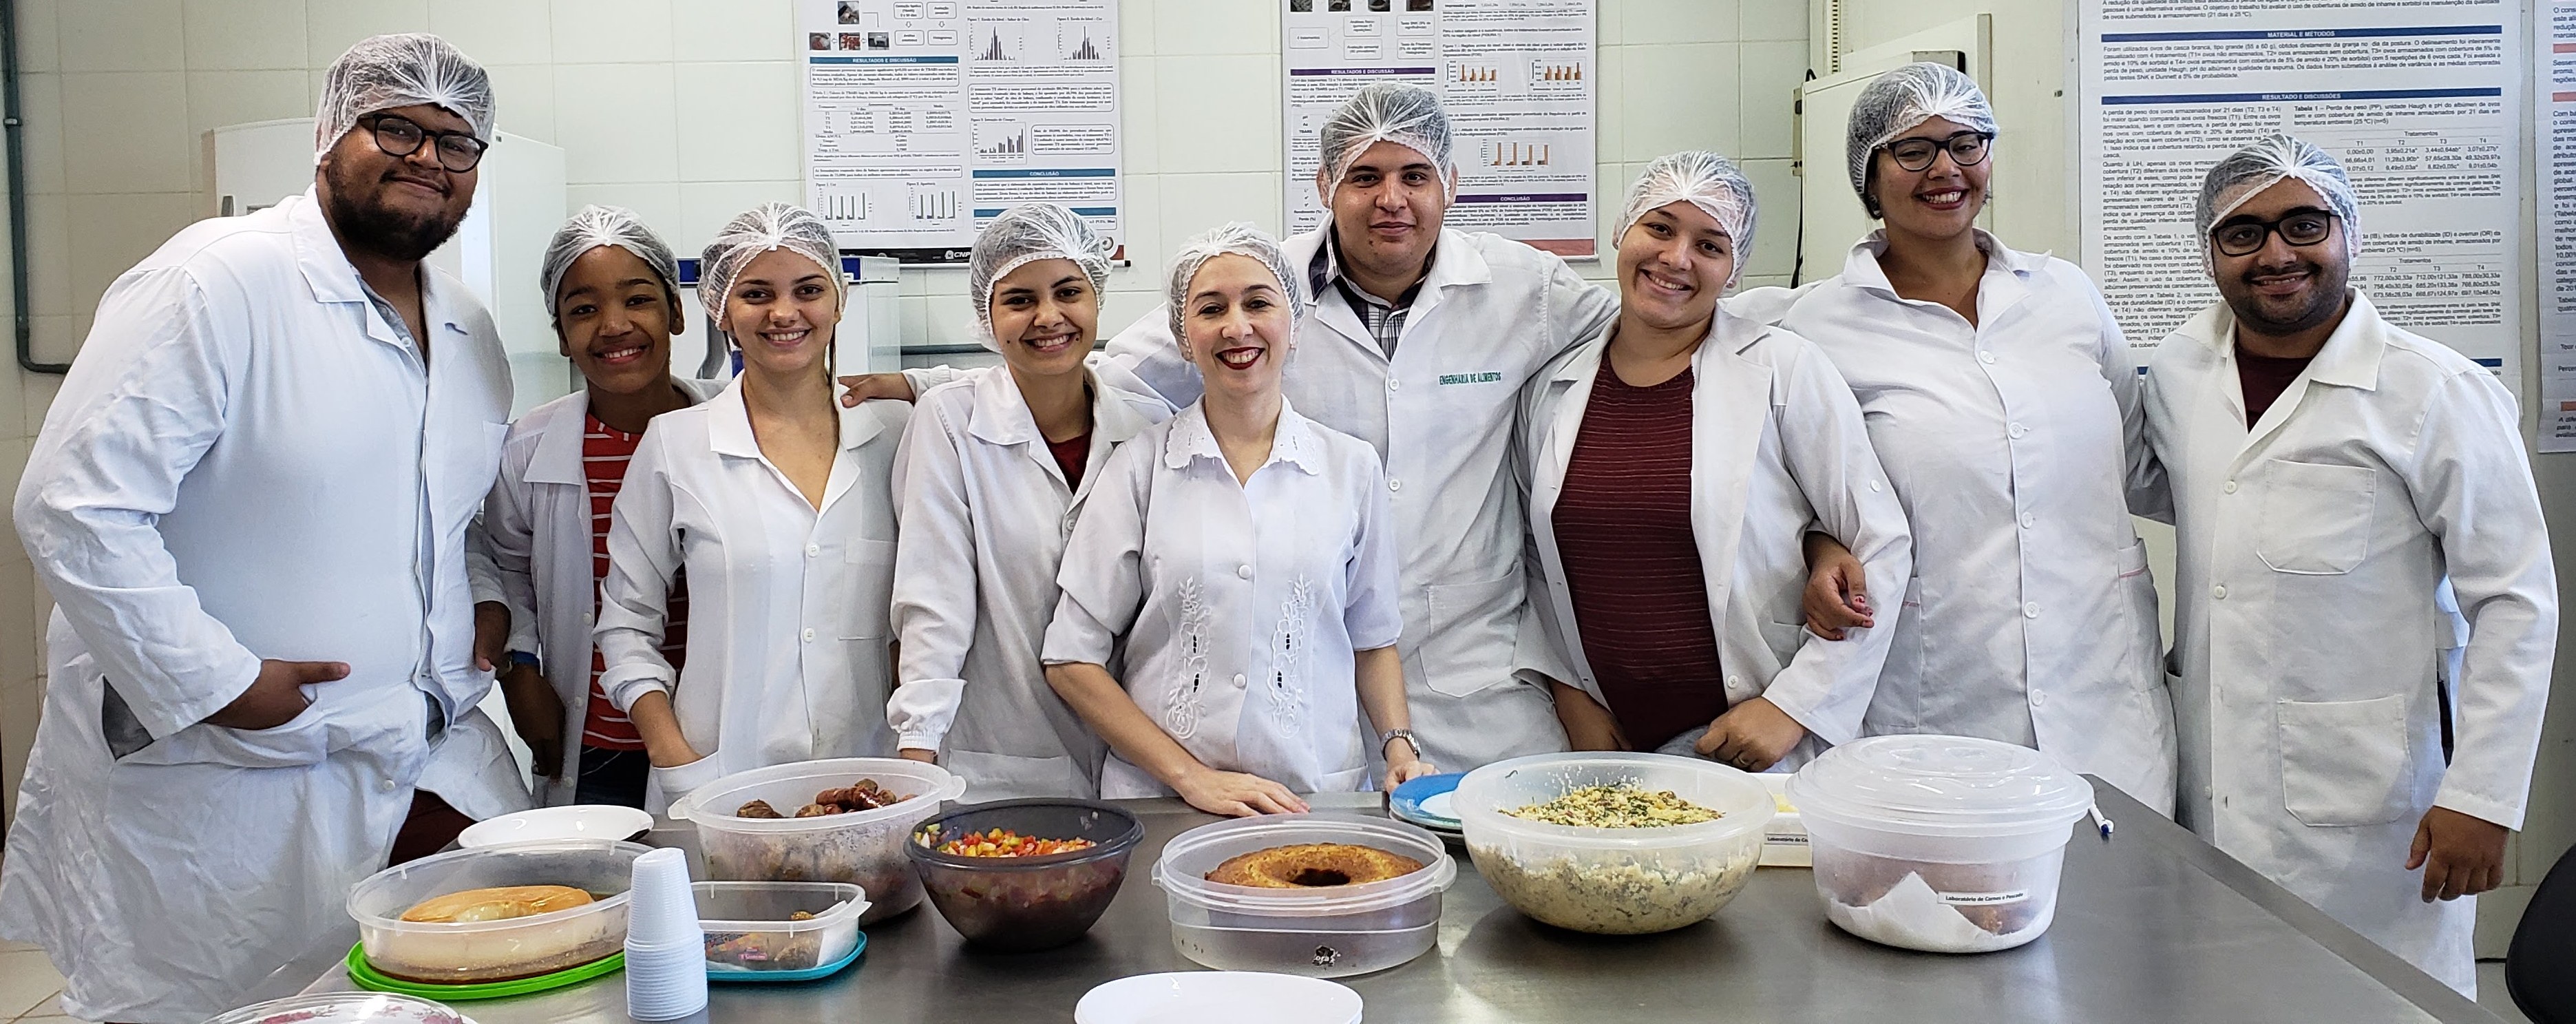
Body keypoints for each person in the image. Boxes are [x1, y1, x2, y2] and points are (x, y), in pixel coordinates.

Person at [849, 83, 1617, 773]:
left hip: (1463, 672)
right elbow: (1096, 361)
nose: (1391, 198)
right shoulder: (1252, 284)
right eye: (1364, 176)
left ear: (1450, 183)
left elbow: (1651, 331)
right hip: (1244, 734)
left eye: (1414, 174)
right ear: (1325, 186)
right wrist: (937, 384)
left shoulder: (1525, 287)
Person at [0, 34, 527, 1023]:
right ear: (329, 136)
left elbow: (439, 514)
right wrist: (222, 683)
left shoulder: (466, 327)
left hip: (405, 757)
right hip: (225, 779)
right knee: (204, 1001)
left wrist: (486, 601)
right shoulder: (217, 281)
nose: (427, 159)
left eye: (456, 144)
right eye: (397, 128)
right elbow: (74, 504)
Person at [2140, 135, 2555, 994]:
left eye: (2303, 224)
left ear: (2349, 234)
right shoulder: (2182, 370)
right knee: (2221, 995)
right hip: (2210, 779)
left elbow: (2515, 600)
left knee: (2377, 1000)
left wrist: (2482, 794)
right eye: (2241, 233)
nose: (2276, 254)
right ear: (2211, 252)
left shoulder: (2431, 391)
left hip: (2372, 812)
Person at [1771, 63, 2175, 813]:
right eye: (1913, 150)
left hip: (2105, 696)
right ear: (1869, 170)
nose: (1946, 169)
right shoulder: (1817, 326)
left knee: (2125, 911)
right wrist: (1817, 547)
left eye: (1966, 142)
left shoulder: (2066, 296)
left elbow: (2133, 455)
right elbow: (1784, 496)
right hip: (1939, 693)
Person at [1514, 154, 1912, 770]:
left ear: (1734, 270)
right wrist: (1571, 695)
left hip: (1750, 737)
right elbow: (1541, 562)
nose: (1677, 258)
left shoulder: (1783, 369)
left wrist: (1793, 707)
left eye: (1710, 244)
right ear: (1624, 231)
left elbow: (1880, 542)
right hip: (1609, 742)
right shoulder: (1555, 390)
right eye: (1661, 228)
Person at [1042, 224, 1432, 816]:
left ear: (1294, 325)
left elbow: (1372, 638)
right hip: (1166, 805)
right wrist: (1193, 777)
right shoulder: (1141, 467)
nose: (1237, 327)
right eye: (1211, 308)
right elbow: (1071, 658)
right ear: (1182, 335)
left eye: (1257, 303)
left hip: (1314, 797)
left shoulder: (1351, 467)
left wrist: (1398, 745)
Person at [593, 202, 909, 813]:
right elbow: (627, 624)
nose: (785, 313)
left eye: (809, 290)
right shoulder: (676, 444)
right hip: (719, 784)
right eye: (757, 293)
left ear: (840, 301)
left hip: (870, 785)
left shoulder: (897, 434)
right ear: (723, 311)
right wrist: (673, 755)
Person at [885, 205, 1172, 800]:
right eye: (1019, 300)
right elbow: (934, 599)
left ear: (1096, 296)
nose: (1049, 317)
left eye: (1069, 291)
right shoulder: (952, 422)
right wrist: (916, 758)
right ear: (987, 317)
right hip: (1002, 766)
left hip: (1141, 767)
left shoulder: (1148, 424)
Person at [470, 205, 724, 808]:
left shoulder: (736, 426)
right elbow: (509, 566)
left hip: (718, 730)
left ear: (678, 313)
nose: (614, 325)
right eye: (583, 310)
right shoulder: (529, 450)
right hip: (596, 736)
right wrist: (520, 672)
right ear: (560, 334)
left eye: (638, 300)